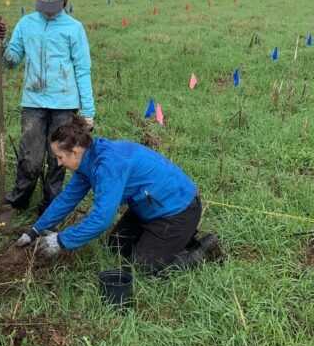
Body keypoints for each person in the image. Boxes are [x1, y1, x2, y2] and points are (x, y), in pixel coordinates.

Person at [16, 116, 222, 274]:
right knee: (116, 246)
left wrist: (61, 241)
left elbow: (101, 219)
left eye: (60, 157)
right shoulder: (88, 161)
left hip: (178, 209)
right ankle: (174, 240)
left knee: (143, 266)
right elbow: (66, 199)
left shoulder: (109, 166)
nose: (59, 163)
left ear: (75, 152)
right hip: (147, 208)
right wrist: (35, 231)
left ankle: (202, 250)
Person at [0, 0, 95, 215]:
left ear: (64, 3)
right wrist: (2, 43)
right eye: (44, 9)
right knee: (30, 156)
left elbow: (82, 69)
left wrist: (88, 111)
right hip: (33, 102)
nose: (48, 14)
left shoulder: (74, 28)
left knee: (58, 157)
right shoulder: (27, 24)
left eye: (53, 9)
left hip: (65, 104)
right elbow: (12, 61)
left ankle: (51, 203)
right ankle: (18, 200)